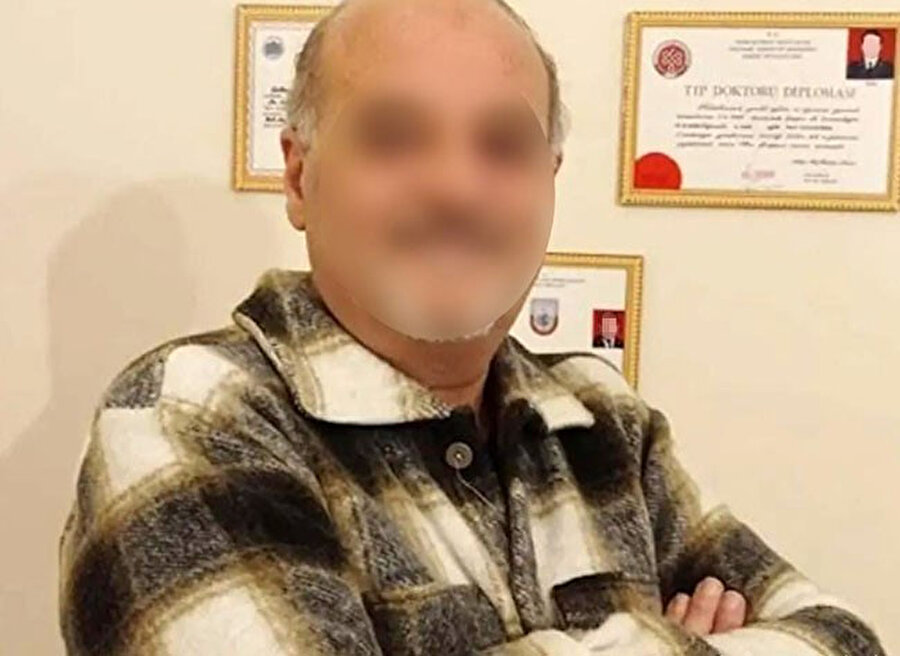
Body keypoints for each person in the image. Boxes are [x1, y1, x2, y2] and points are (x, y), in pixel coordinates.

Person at [58, 0, 886, 653]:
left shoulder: (601, 416)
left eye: (502, 145)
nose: (457, 186)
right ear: (302, 178)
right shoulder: (194, 414)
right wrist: (671, 641)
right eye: (394, 138)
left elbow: (843, 638)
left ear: (548, 180)